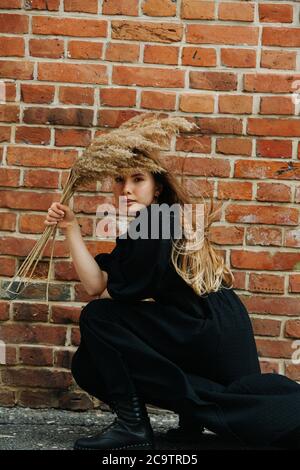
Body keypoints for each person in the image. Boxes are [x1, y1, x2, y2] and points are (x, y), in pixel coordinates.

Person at [44, 164, 300, 451]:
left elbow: (105, 295)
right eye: (119, 180)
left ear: (158, 188)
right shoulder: (156, 222)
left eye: (138, 179)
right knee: (90, 363)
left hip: (207, 328)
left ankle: (133, 426)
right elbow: (97, 284)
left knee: (99, 319)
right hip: (215, 326)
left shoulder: (156, 222)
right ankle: (193, 419)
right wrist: (70, 228)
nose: (126, 188)